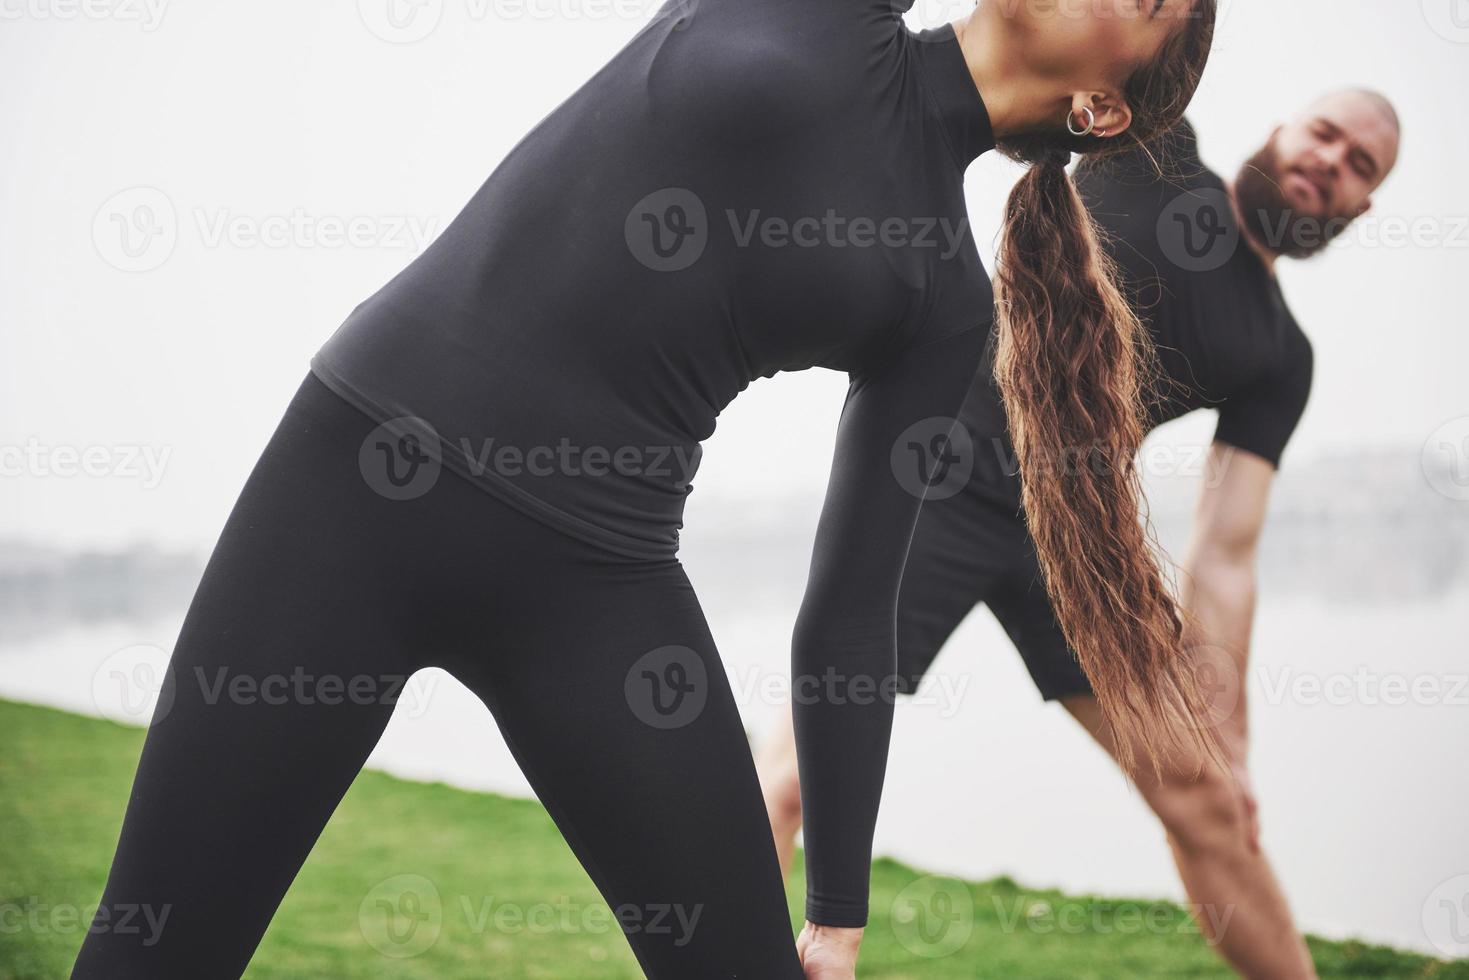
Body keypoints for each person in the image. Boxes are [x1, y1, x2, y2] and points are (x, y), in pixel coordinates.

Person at [71, 0, 1217, 976]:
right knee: (155, 949)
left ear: (1101, 109)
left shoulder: (942, 294)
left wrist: (838, 905)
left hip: (586, 584)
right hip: (352, 486)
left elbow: (850, 609)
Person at [758, 89, 1401, 978]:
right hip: (938, 473)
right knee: (793, 778)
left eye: (1358, 165)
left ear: (1357, 207)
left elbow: (1223, 553)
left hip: (1078, 539)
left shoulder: (1280, 357)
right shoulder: (1158, 148)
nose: (1331, 160)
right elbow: (1090, 67)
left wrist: (1233, 739)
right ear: (1283, 127)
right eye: (1324, 133)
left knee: (1211, 800)